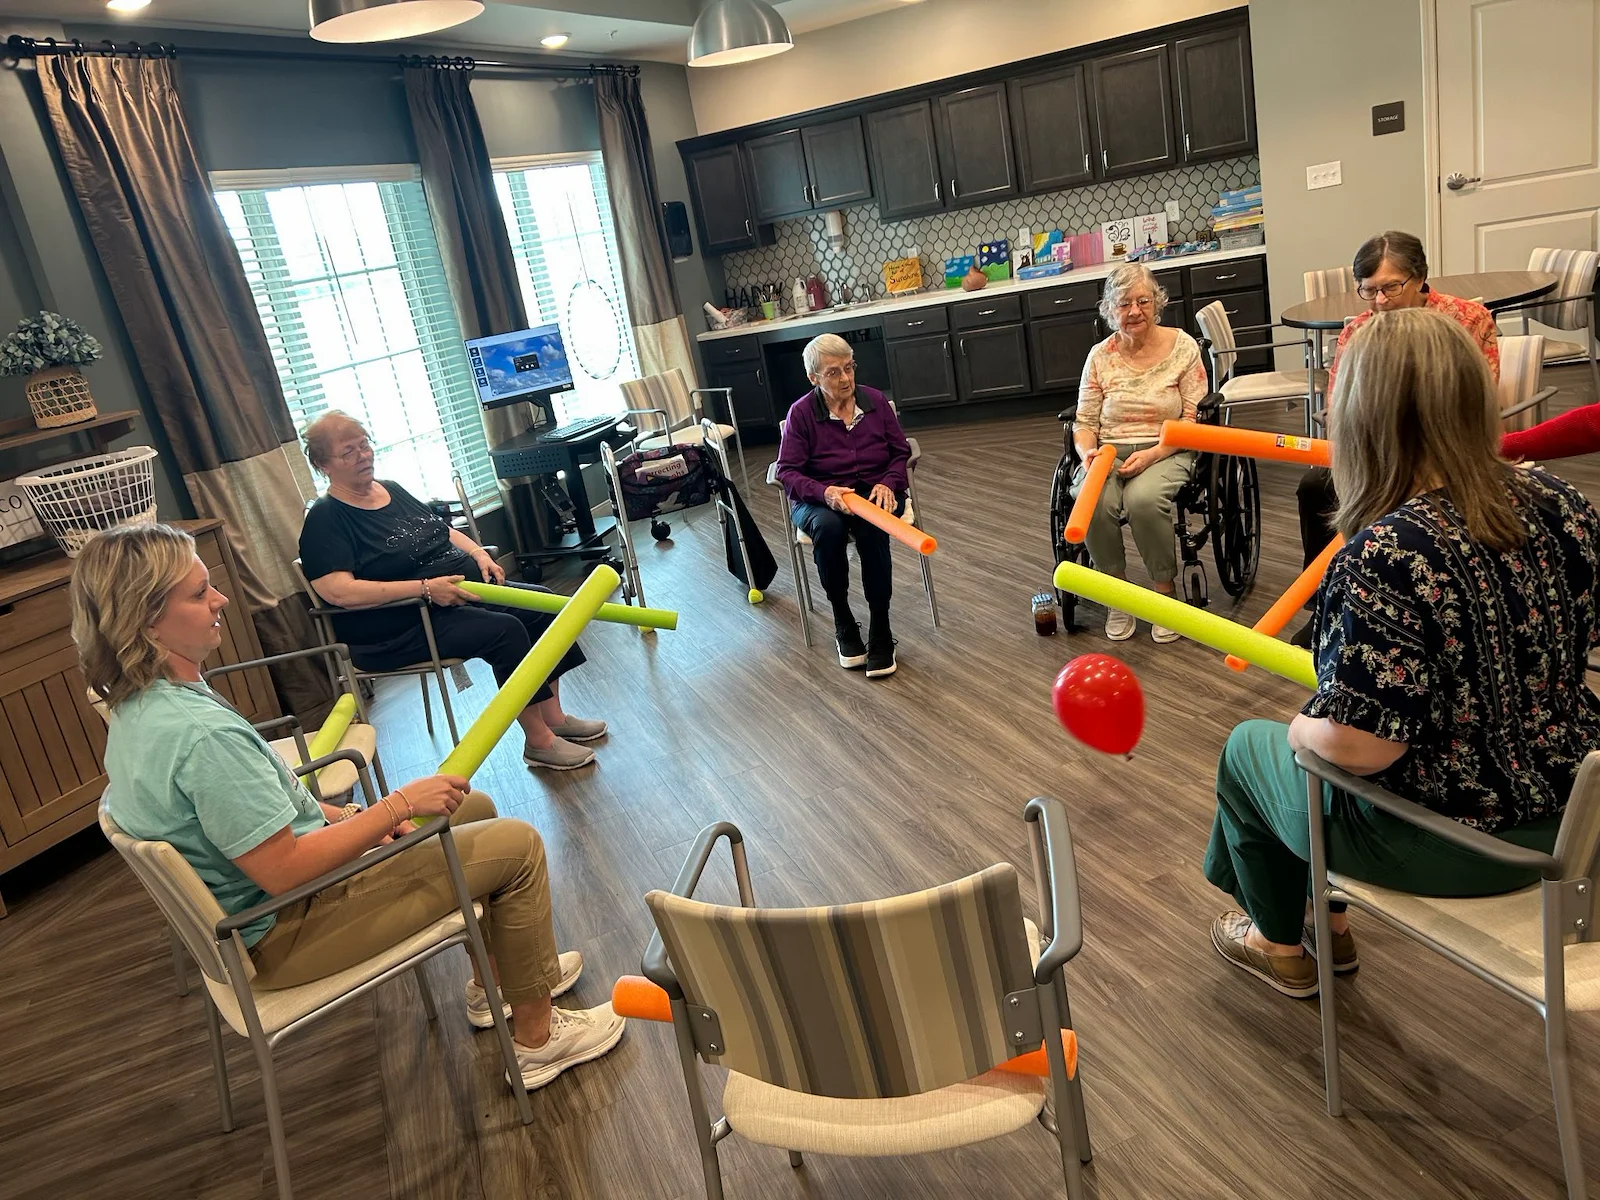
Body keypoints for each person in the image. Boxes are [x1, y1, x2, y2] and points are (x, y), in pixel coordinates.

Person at [74, 523, 625, 1088]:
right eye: (198, 595)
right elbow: (283, 870)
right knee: (518, 846)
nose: (219, 601)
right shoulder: (199, 735)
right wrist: (391, 808)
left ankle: (500, 987)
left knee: (472, 806)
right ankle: (538, 1040)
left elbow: (245, 823)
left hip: (267, 913)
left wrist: (343, 817)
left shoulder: (140, 709)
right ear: (143, 619)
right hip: (289, 930)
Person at [1206, 309, 1600, 999]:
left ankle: (1282, 942)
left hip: (1466, 845)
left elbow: (1364, 748)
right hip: (1580, 823)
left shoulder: (1386, 553)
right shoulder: (1563, 502)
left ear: (1360, 418)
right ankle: (1319, 925)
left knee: (1253, 748)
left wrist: (1303, 727)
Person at [297, 412, 605, 771]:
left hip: (453, 597)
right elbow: (339, 592)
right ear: (322, 465)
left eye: (364, 445)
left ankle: (554, 716)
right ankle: (539, 741)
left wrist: (476, 552)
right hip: (399, 623)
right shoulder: (326, 518)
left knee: (546, 605)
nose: (363, 456)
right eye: (348, 452)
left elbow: (442, 531)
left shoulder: (391, 489)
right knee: (505, 632)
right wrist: (426, 589)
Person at [1296, 231, 1500, 573]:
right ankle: (1327, 594)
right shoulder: (1356, 333)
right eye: (1369, 290)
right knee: (1315, 488)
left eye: (1391, 287)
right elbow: (1339, 409)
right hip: (1379, 453)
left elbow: (1478, 403)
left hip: (1446, 450)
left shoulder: (1468, 320)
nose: (1381, 301)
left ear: (1419, 278)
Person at [1073, 262, 1210, 643]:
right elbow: (1083, 421)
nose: (1134, 311)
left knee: (1145, 500)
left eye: (1143, 301)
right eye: (1123, 304)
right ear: (1109, 310)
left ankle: (1164, 597)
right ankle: (1119, 596)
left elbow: (1192, 417)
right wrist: (1088, 454)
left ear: (1157, 303)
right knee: (1093, 501)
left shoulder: (1182, 347)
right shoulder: (1099, 356)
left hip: (1168, 447)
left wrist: (1154, 454)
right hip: (1109, 451)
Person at [776, 332, 913, 678]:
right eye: (833, 372)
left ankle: (880, 628)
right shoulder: (801, 414)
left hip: (874, 492)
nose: (846, 378)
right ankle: (843, 622)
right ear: (814, 378)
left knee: (873, 525)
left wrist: (889, 482)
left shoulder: (875, 401)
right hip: (818, 496)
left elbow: (900, 452)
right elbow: (787, 470)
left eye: (849, 368)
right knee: (829, 528)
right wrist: (824, 493)